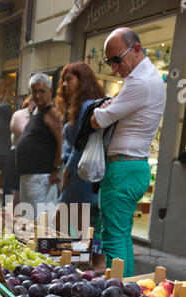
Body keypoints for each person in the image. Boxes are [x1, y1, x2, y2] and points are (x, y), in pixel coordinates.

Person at [90, 27, 166, 277]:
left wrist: (98, 112)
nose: (113, 67)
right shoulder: (146, 78)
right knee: (120, 235)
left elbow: (99, 119)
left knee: (113, 238)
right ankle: (126, 290)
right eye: (108, 61)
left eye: (116, 59)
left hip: (123, 168)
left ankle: (118, 295)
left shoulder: (140, 82)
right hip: (130, 167)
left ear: (136, 49)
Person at [54, 62, 106, 272]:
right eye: (63, 80)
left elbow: (81, 143)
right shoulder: (83, 106)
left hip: (79, 176)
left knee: (65, 226)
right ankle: (80, 270)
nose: (65, 85)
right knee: (79, 229)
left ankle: (72, 273)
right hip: (84, 176)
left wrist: (66, 171)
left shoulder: (87, 106)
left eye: (70, 79)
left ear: (82, 81)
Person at [15, 73, 63, 220]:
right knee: (28, 218)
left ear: (49, 92)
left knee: (40, 220)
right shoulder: (36, 111)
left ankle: (40, 243)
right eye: (34, 91)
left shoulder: (51, 112)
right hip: (28, 174)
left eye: (41, 91)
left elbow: (61, 141)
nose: (37, 95)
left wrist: (56, 169)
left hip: (41, 176)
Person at [3, 95, 34, 207]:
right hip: (18, 156)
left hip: (36, 160)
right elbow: (25, 135)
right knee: (17, 194)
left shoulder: (45, 116)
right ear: (30, 101)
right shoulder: (20, 115)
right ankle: (12, 221)